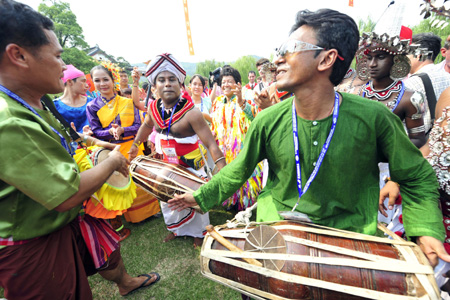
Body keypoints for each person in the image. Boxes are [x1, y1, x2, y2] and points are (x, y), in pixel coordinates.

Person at [169, 8, 450, 269]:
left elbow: (416, 175)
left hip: (348, 245)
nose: (278, 59)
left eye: (290, 50)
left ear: (326, 59)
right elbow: (239, 169)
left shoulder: (374, 118)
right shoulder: (267, 120)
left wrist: (425, 229)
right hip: (274, 238)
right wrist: (201, 196)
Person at [0, 1, 160, 298]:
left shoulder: (34, 101)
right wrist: (112, 161)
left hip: (59, 226)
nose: (64, 66)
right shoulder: (8, 119)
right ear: (19, 55)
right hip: (32, 245)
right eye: (58, 56)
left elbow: (72, 139)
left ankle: (125, 282)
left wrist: (101, 148)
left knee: (105, 252)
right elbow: (67, 194)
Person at [128, 53, 226, 247]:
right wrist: (135, 144)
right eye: (161, 80)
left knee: (194, 201)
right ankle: (176, 230)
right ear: (154, 86)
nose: (167, 84)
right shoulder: (153, 109)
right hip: (166, 166)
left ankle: (199, 234)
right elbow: (146, 127)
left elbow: (211, 144)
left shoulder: (192, 113)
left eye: (172, 79)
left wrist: (222, 169)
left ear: (181, 85)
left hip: (190, 168)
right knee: (168, 202)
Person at [86, 65, 144, 240]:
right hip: (112, 151)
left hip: (132, 147)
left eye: (105, 79)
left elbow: (138, 127)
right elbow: (95, 132)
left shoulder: (127, 102)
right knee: (118, 184)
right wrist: (110, 132)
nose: (102, 83)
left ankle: (144, 214)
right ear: (93, 83)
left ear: (113, 80)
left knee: (140, 184)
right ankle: (121, 219)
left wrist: (123, 130)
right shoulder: (92, 106)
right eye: (97, 80)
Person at [356, 30, 427, 148]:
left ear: (397, 60)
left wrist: (386, 152)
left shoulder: (411, 98)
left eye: (380, 57)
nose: (372, 64)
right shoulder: (356, 93)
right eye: (369, 58)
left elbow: (418, 140)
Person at [210, 66, 263, 210]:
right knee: (228, 173)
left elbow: (254, 117)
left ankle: (246, 201)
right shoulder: (218, 102)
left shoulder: (246, 98)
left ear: (238, 84)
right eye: (224, 81)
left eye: (229, 81)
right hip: (225, 149)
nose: (226, 84)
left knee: (243, 175)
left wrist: (241, 101)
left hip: (242, 149)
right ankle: (232, 200)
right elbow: (215, 125)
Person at [406, 32, 450, 133]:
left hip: (421, 144)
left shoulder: (411, 83)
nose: (405, 58)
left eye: (407, 54)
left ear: (419, 55)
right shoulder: (447, 77)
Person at [54, 64, 93, 133]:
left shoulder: (92, 102)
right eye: (83, 81)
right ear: (70, 82)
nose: (87, 85)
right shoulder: (54, 106)